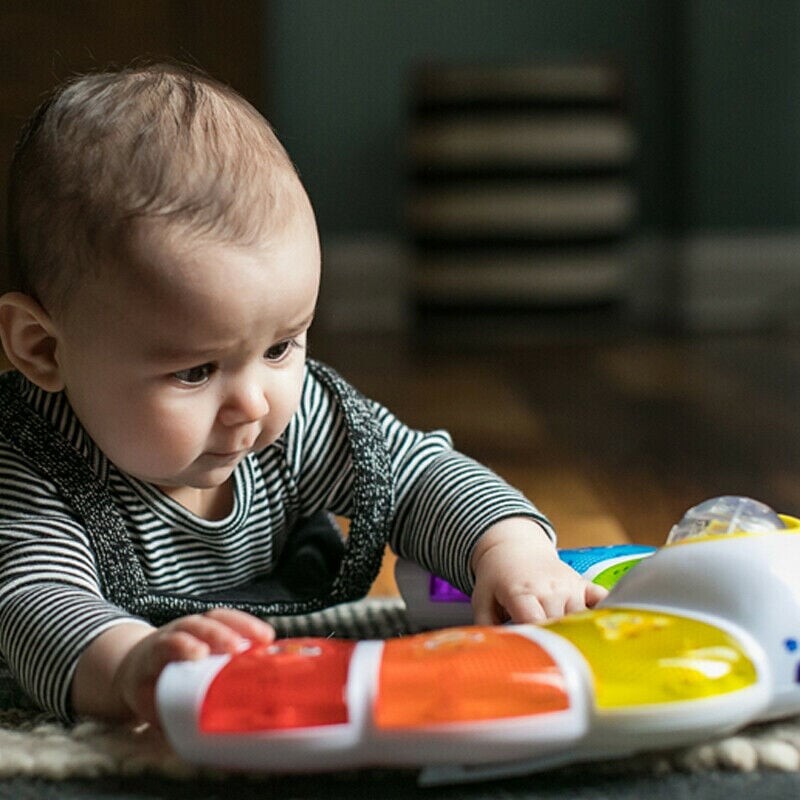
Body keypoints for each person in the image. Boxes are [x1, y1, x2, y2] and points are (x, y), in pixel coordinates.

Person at [0, 62, 606, 726]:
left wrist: (509, 549)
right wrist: (131, 668)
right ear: (42, 349)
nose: (254, 404)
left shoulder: (295, 422)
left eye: (280, 347)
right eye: (196, 372)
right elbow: (37, 607)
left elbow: (418, 475)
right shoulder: (31, 468)